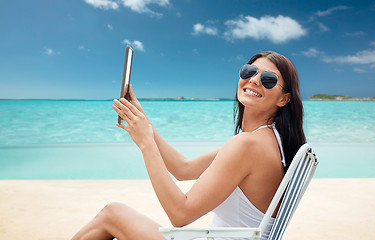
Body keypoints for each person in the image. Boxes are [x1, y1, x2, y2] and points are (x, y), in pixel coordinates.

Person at [71, 51, 306, 240]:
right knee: (113, 214)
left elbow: (180, 214)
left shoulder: (248, 144)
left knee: (113, 214)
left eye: (268, 80)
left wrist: (145, 144)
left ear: (284, 99)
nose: (254, 80)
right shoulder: (267, 140)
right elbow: (183, 169)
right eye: (250, 71)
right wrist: (145, 124)